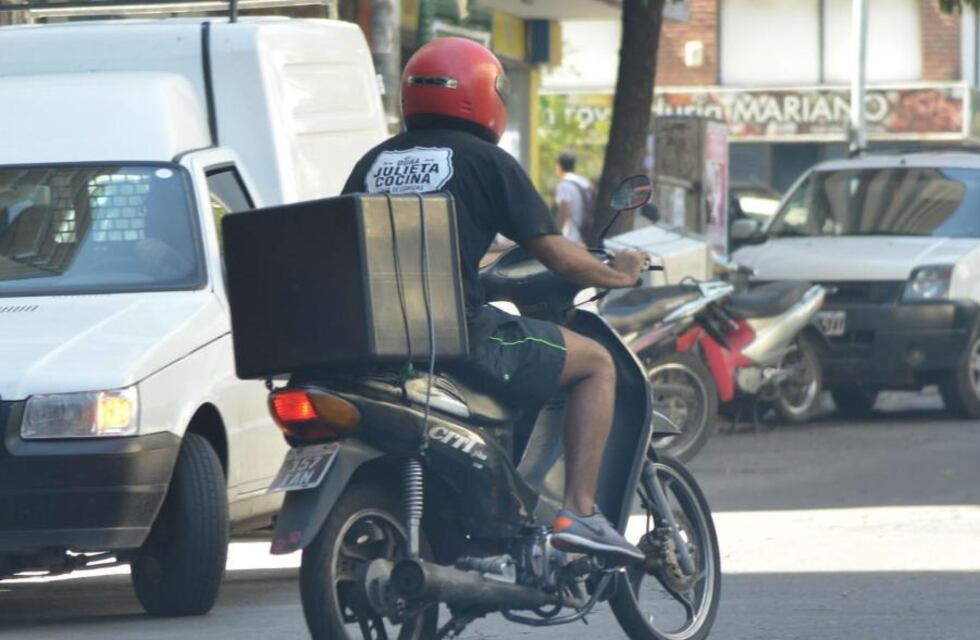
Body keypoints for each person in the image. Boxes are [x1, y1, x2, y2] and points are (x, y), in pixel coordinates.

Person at [341, 37, 646, 564]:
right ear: (485, 95)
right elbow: (559, 257)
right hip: (457, 336)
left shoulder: (374, 161)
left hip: (375, 338)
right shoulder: (487, 161)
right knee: (597, 363)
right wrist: (617, 274)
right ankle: (580, 512)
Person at [554, 150, 595, 245]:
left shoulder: (564, 185)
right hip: (587, 235)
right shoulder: (584, 183)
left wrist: (557, 234)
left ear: (559, 166)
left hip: (571, 238)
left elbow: (564, 210)